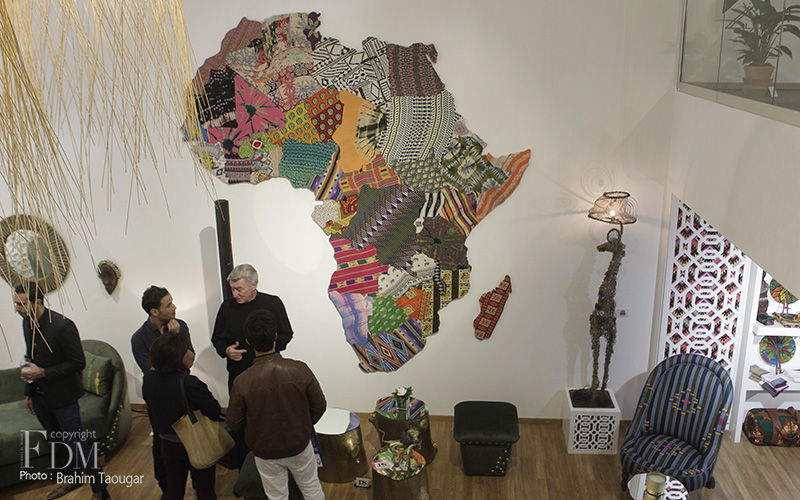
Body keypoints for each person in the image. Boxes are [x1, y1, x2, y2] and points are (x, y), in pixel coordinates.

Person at [14, 284, 111, 500]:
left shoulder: (62, 325)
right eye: (16, 303)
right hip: (40, 396)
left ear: (37, 301)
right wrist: (29, 391)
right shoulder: (27, 322)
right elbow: (31, 358)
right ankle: (73, 477)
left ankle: (100, 490)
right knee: (58, 440)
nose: (17, 309)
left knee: (77, 443)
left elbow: (78, 362)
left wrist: (44, 373)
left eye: (21, 304)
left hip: (64, 396)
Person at [227, 309, 326, 500]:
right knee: (311, 486)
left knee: (276, 495)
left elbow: (233, 422)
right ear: (275, 336)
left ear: (248, 341)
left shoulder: (242, 381)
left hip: (265, 450)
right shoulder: (300, 369)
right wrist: (303, 425)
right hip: (299, 443)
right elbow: (319, 406)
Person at [131, 285, 195, 497]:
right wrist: (172, 342)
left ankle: (198, 480)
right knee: (161, 444)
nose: (174, 307)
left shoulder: (180, 326)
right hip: (159, 400)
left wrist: (177, 338)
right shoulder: (139, 338)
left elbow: (189, 361)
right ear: (154, 311)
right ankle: (166, 488)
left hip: (182, 394)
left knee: (193, 439)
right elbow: (154, 371)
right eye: (168, 305)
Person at [142, 332, 221, 500]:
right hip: (196, 443)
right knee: (205, 490)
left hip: (167, 444)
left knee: (174, 489)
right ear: (179, 356)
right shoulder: (188, 383)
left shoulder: (148, 378)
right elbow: (214, 410)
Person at [211, 264, 293, 391]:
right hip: (239, 375)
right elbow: (217, 339)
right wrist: (226, 350)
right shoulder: (227, 307)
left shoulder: (273, 303)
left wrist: (271, 348)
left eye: (239, 289)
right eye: (232, 289)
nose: (234, 294)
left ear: (254, 285)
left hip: (270, 373)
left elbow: (286, 333)